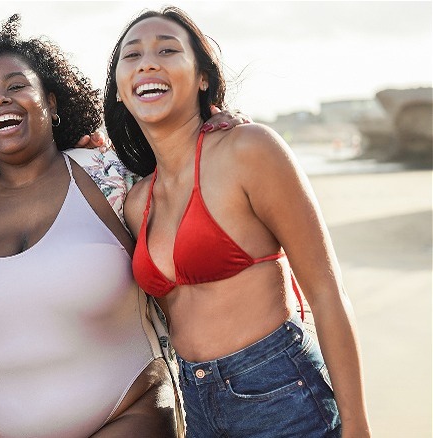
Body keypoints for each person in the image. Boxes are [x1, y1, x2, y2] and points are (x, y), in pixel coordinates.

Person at [105, 6, 371, 437]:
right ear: (119, 89)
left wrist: (358, 426)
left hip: (278, 391)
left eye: (167, 50)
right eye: (131, 56)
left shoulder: (249, 150)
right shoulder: (136, 200)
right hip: (194, 403)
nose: (148, 62)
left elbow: (326, 293)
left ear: (203, 76)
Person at [0, 15, 178, 437]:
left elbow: (192, 183)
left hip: (126, 416)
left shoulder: (110, 173)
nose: (0, 100)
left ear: (51, 101)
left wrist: (219, 128)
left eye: (16, 86)